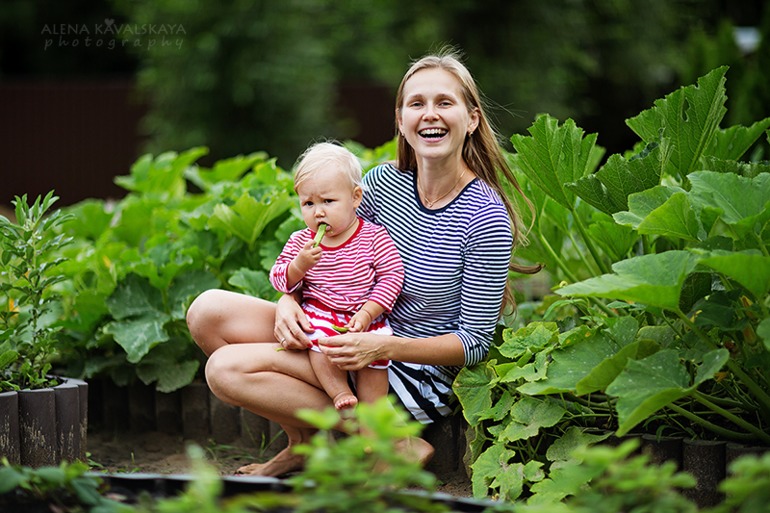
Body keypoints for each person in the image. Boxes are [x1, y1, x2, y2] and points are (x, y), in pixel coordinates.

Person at [186, 46, 537, 477]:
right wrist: (288, 302)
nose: (430, 114)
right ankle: (303, 445)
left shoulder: (485, 216)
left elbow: (473, 343)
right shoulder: (380, 185)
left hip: (410, 369)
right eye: (417, 104)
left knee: (225, 370)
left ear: (471, 120)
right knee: (207, 312)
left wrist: (383, 345)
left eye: (445, 103)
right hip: (344, 329)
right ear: (401, 122)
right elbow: (330, 251)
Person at [269, 141, 404, 412]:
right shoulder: (300, 242)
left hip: (366, 318)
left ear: (356, 197)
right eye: (308, 203)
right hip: (321, 313)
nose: (318, 211)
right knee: (320, 346)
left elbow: (392, 278)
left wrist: (368, 313)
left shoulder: (374, 237)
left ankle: (373, 425)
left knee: (374, 371)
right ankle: (339, 393)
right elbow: (279, 279)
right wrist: (299, 265)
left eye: (328, 201)